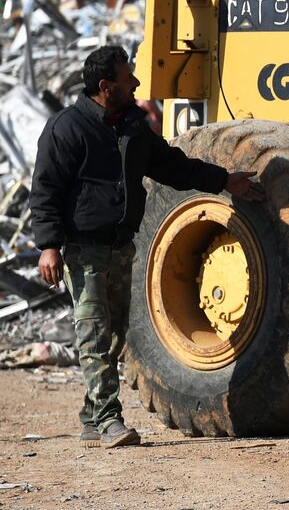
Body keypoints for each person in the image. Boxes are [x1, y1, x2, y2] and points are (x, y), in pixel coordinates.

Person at [30, 46, 265, 448]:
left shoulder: (133, 129)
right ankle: (108, 420)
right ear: (106, 87)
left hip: (121, 248)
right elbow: (46, 189)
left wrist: (226, 180)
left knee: (116, 334)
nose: (136, 83)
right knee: (93, 333)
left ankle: (90, 414)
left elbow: (175, 167)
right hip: (82, 250)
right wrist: (48, 246)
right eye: (128, 78)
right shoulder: (66, 129)